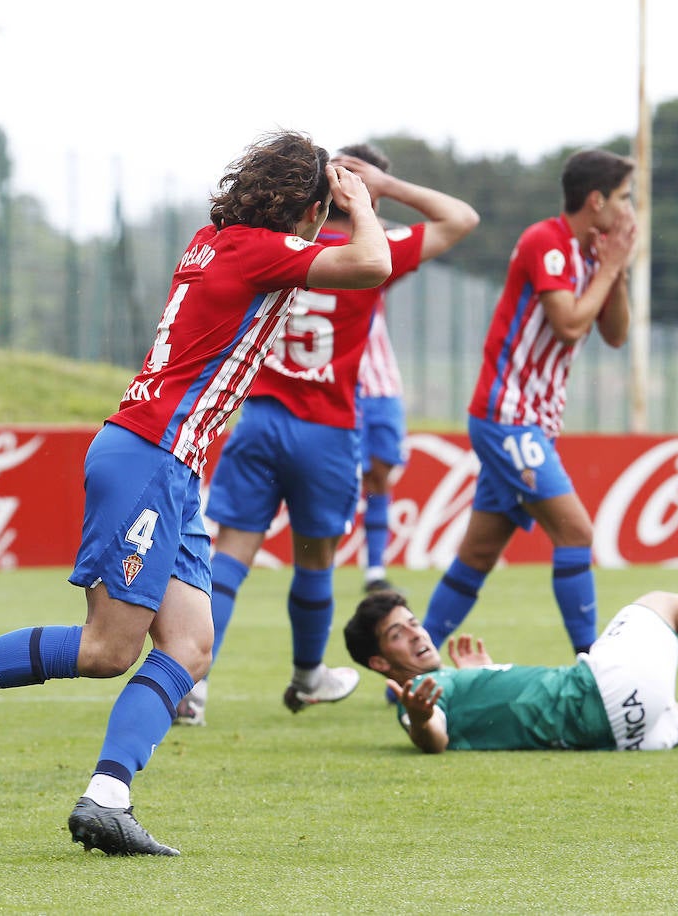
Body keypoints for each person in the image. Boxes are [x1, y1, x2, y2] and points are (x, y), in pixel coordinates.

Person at [0, 131, 392, 857]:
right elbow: (373, 261)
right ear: (303, 205)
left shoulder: (220, 240)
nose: (324, 221)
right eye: (322, 207)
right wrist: (360, 202)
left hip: (167, 464)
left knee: (191, 643)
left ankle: (107, 798)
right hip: (149, 456)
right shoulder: (255, 249)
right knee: (110, 648)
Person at [180, 144, 478, 725]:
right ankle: (308, 674)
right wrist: (383, 192)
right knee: (315, 562)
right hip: (328, 431)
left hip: (261, 419)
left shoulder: (275, 246)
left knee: (232, 557)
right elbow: (460, 219)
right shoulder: (368, 250)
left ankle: (191, 685)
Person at [422, 149, 637, 658]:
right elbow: (566, 322)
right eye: (625, 198)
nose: (631, 210)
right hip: (507, 418)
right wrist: (609, 269)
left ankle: (413, 666)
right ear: (596, 199)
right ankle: (592, 661)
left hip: (533, 422)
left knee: (478, 552)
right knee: (577, 532)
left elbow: (614, 333)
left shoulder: (594, 256)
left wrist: (617, 270)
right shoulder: (547, 241)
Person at [344, 589, 678, 754]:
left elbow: (477, 713)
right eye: (399, 634)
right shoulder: (419, 692)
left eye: (414, 623)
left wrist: (486, 672)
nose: (417, 633)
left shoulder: (453, 684)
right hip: (597, 693)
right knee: (662, 604)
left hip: (623, 734)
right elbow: (433, 736)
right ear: (378, 663)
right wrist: (418, 718)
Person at [356, 305, 406, 593]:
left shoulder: (372, 272)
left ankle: (375, 570)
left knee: (379, 480)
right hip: (343, 390)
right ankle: (316, 565)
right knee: (340, 481)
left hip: (384, 391)